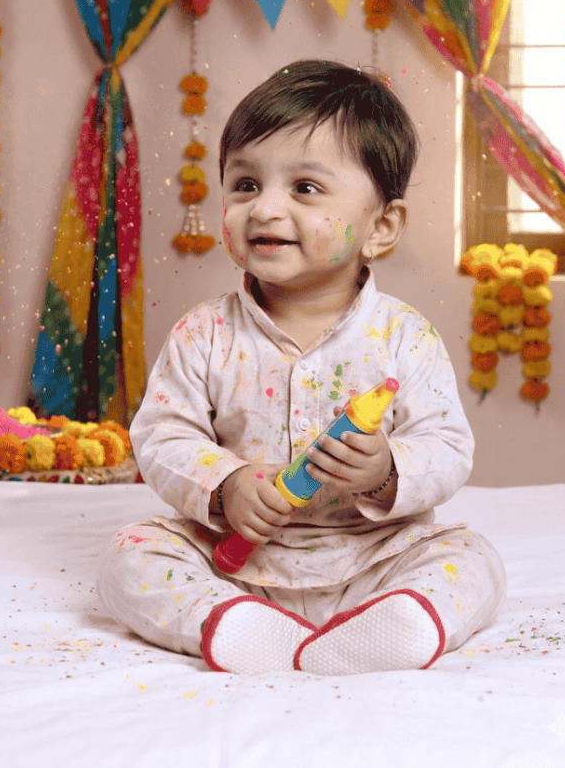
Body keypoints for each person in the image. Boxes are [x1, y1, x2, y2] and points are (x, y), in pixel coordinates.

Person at [96, 59, 506, 675]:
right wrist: (227, 482)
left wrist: (385, 470)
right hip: (236, 557)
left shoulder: (404, 336)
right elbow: (161, 434)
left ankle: (402, 620)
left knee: (474, 557)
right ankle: (231, 624)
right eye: (245, 184)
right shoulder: (203, 332)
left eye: (305, 189)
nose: (264, 209)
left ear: (381, 227)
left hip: (372, 555)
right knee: (128, 555)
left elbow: (446, 445)